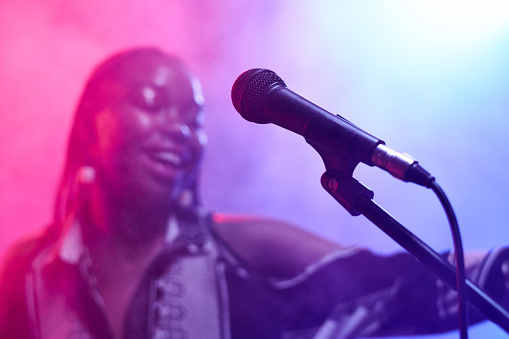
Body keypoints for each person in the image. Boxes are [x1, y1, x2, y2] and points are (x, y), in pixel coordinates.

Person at [0, 47, 508, 339]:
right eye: (153, 104)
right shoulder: (23, 274)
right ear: (92, 124)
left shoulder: (247, 251)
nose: (180, 129)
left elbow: (393, 287)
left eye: (193, 118)